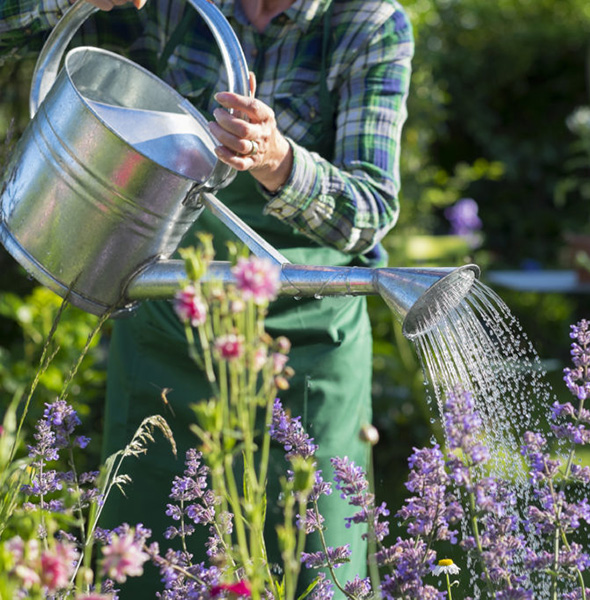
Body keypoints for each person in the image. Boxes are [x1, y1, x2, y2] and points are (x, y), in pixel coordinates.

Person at [0, 0, 413, 596]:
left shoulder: (367, 22)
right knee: (147, 563)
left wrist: (278, 161)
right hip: (168, 323)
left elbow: (370, 211)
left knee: (306, 563)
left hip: (305, 346)